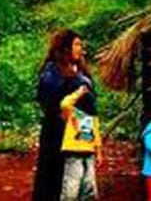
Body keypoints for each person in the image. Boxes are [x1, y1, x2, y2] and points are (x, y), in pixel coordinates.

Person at [33, 29, 89, 201]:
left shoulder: (79, 70)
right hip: (57, 133)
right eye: (76, 44)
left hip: (78, 129)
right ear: (65, 47)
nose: (80, 48)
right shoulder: (51, 73)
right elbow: (50, 102)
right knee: (54, 176)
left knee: (79, 177)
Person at [59, 65, 102, 201]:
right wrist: (79, 93)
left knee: (89, 187)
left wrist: (99, 152)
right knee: (71, 189)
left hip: (89, 153)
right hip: (73, 153)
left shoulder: (92, 116)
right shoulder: (72, 112)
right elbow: (65, 104)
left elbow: (96, 135)